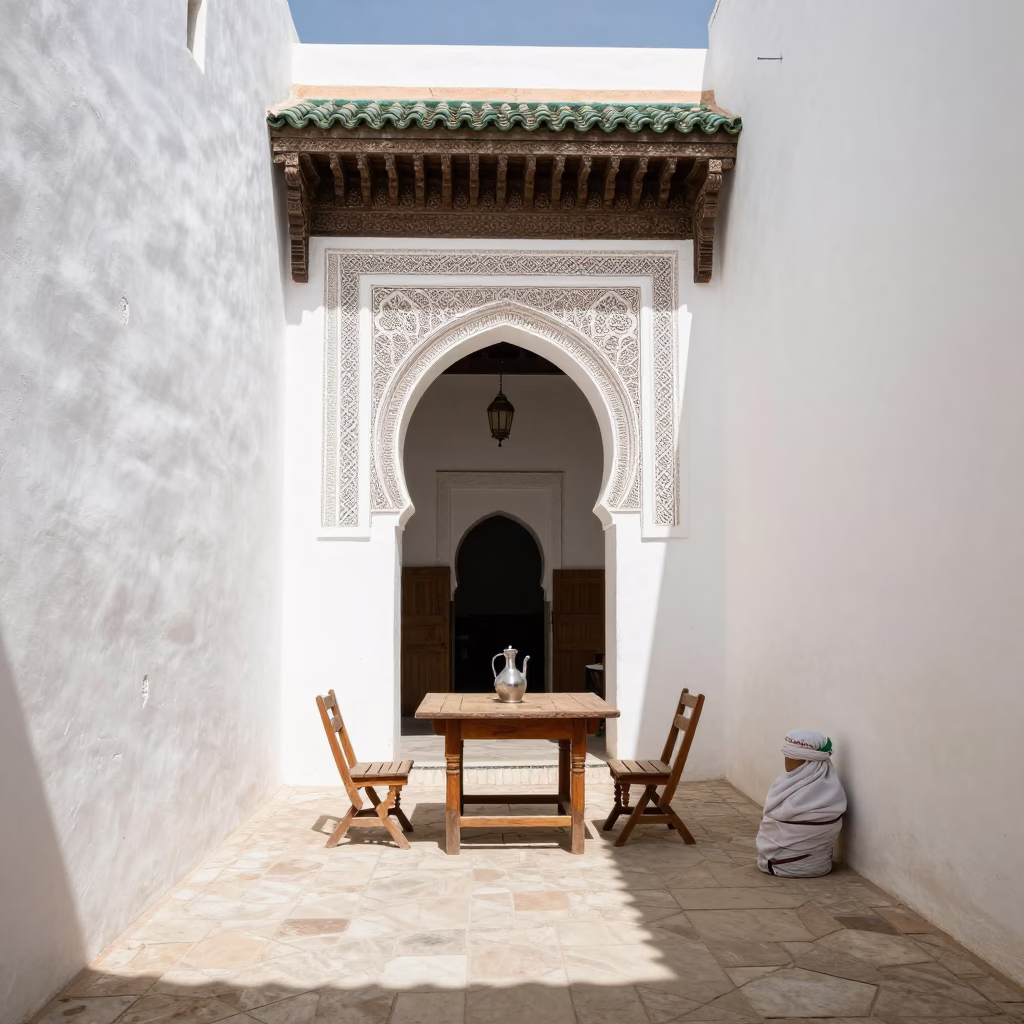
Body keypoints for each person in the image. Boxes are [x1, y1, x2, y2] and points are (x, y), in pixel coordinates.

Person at [756, 729, 847, 877]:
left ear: (809, 762)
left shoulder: (826, 793)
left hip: (804, 866)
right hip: (816, 867)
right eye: (786, 757)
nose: (787, 762)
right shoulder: (785, 785)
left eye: (791, 758)